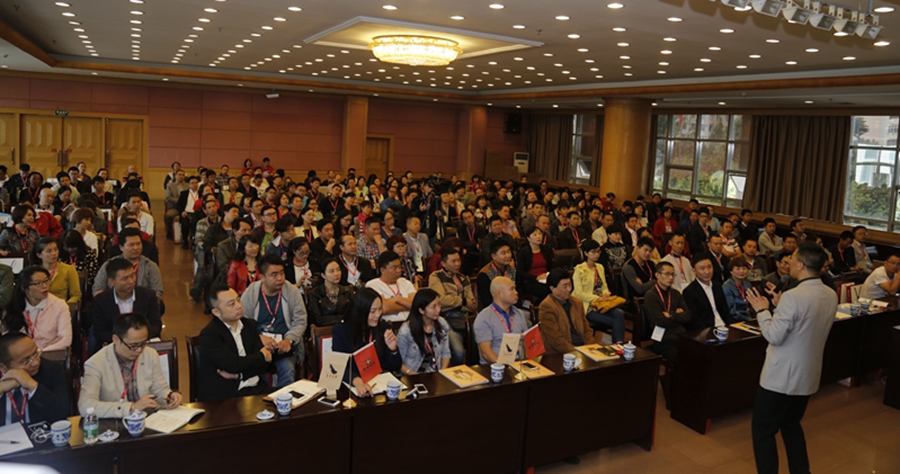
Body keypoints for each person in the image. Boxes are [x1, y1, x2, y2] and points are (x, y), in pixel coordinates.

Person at [745, 243, 836, 474]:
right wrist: (780, 305)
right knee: (791, 424)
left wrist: (763, 310)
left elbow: (774, 336)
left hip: (781, 377)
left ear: (801, 265)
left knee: (763, 431)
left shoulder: (793, 297)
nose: (789, 263)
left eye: (792, 259)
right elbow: (805, 323)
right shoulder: (830, 293)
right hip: (807, 374)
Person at [79, 313, 182, 418]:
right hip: (115, 421)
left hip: (147, 419)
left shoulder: (150, 354)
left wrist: (169, 396)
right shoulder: (96, 364)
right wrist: (132, 407)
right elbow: (85, 406)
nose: (139, 350)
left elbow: (159, 388)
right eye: (133, 345)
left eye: (143, 343)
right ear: (116, 339)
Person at [241, 254, 307, 387]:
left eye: (282, 273)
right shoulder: (251, 293)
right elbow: (242, 322)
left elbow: (300, 321)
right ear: (262, 277)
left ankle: (284, 398)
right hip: (259, 345)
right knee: (255, 373)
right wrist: (258, 338)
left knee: (288, 371)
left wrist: (289, 339)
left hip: (284, 345)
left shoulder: (292, 292)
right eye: (274, 274)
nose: (280, 278)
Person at [198, 285, 273, 402]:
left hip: (256, 389)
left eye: (238, 299)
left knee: (291, 400)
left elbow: (262, 366)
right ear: (216, 312)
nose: (239, 306)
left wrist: (239, 375)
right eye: (231, 304)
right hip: (226, 397)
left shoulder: (249, 325)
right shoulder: (210, 334)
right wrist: (262, 355)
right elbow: (233, 364)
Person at [331, 288, 401, 397]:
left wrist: (393, 350)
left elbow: (396, 366)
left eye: (380, 309)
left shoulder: (383, 328)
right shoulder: (341, 330)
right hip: (352, 388)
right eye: (373, 311)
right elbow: (339, 366)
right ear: (360, 311)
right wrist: (357, 381)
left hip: (378, 386)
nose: (378, 314)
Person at [90, 258, 161, 354]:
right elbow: (99, 331)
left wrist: (137, 339)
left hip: (143, 345)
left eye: (132, 275)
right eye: (125, 278)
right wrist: (123, 341)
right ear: (111, 282)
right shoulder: (102, 300)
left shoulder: (148, 296)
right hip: (115, 346)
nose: (131, 281)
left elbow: (156, 325)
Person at [0, 333, 70, 426]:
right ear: (3, 367)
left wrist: (33, 386)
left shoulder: (51, 370)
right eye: (26, 361)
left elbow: (62, 413)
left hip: (38, 432)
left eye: (36, 353)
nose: (35, 362)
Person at [1, 266, 72, 352]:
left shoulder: (59, 305)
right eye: (37, 283)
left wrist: (39, 352)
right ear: (24, 288)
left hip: (49, 354)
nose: (45, 286)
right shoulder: (12, 307)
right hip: (21, 355)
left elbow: (65, 340)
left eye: (46, 281)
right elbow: (8, 342)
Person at [571, 239, 626, 343]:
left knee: (620, 313)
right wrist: (597, 298)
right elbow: (578, 293)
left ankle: (617, 344)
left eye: (598, 251)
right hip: (588, 306)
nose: (596, 254)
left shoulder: (600, 267)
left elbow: (604, 286)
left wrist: (605, 294)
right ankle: (618, 345)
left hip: (602, 303)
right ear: (586, 253)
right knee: (615, 321)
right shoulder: (579, 269)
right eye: (593, 252)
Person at [428, 247, 475, 365]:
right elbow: (440, 300)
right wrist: (463, 302)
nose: (457, 264)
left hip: (464, 318)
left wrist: (455, 304)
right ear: (443, 263)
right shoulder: (436, 276)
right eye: (453, 261)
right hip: (446, 319)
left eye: (458, 260)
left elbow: (472, 304)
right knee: (459, 353)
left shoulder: (463, 278)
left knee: (480, 348)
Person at [539, 268, 600, 354]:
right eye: (564, 286)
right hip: (561, 352)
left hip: (582, 347)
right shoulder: (547, 306)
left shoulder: (577, 302)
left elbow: (587, 329)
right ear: (553, 288)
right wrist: (576, 352)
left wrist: (590, 348)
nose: (569, 289)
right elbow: (555, 339)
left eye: (570, 285)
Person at [643, 261, 691, 363]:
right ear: (657, 275)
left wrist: (670, 314)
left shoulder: (675, 293)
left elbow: (688, 316)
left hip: (679, 335)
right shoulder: (651, 295)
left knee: (698, 354)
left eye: (673, 274)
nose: (671, 277)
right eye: (667, 274)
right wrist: (678, 316)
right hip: (663, 339)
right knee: (683, 359)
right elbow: (659, 321)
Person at [93, 228, 164, 297]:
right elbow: (98, 289)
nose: (136, 248)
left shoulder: (150, 266)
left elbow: (157, 292)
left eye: (138, 244)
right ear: (121, 247)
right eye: (131, 245)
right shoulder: (109, 264)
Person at [473, 276, 528, 364]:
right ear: (499, 294)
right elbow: (486, 353)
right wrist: (505, 367)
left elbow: (526, 342)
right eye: (512, 289)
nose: (516, 292)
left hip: (520, 365)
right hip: (495, 367)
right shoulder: (484, 318)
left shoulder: (519, 313)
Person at [397, 288, 451, 375]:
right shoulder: (406, 330)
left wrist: (443, 372)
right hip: (412, 375)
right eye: (433, 307)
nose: (438, 309)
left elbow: (446, 353)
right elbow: (398, 362)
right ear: (421, 310)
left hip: (434, 373)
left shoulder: (442, 323)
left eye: (439, 304)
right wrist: (414, 375)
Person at [683, 254, 734, 331]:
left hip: (724, 325)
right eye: (702, 268)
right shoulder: (689, 291)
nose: (707, 272)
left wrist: (732, 326)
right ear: (694, 271)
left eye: (709, 267)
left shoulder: (717, 286)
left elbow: (725, 311)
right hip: (706, 329)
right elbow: (694, 320)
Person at [366, 251, 416, 322]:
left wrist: (397, 299)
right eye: (394, 268)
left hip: (410, 324)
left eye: (399, 267)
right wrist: (408, 306)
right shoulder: (373, 284)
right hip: (389, 325)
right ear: (382, 270)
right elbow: (384, 308)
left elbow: (416, 303)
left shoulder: (406, 282)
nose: (399, 270)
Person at [32, 236, 82, 304]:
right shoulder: (33, 271)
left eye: (55, 249)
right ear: (39, 255)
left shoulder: (69, 269)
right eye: (49, 251)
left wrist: (64, 306)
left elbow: (76, 295)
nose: (54, 253)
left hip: (60, 307)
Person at [307, 259, 355, 327]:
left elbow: (353, 314)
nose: (336, 274)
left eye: (338, 270)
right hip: (324, 329)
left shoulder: (347, 291)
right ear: (323, 275)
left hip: (345, 328)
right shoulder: (315, 293)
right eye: (331, 271)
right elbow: (319, 319)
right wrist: (343, 319)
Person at [517, 226, 554, 302]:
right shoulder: (523, 252)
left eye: (540, 234)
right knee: (548, 289)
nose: (538, 236)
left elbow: (551, 266)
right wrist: (536, 277)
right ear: (528, 238)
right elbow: (521, 272)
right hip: (531, 281)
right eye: (535, 235)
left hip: (545, 278)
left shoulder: (546, 249)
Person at [476, 239, 517, 309]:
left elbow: (518, 294)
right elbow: (486, 301)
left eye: (508, 252)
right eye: (503, 253)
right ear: (493, 256)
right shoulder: (484, 274)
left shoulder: (513, 270)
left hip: (512, 308)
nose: (508, 255)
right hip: (493, 310)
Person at [723, 256, 754, 322]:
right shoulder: (726, 287)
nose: (741, 271)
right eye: (738, 269)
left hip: (749, 317)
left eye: (744, 268)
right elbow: (732, 311)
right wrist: (748, 319)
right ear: (731, 271)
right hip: (736, 320)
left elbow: (753, 304)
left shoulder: (747, 284)